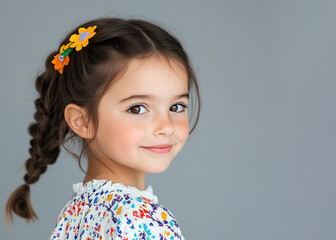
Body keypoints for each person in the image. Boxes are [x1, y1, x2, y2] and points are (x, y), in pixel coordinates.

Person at [5, 17, 201, 239]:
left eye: (176, 106)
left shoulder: (75, 212)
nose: (166, 126)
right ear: (82, 121)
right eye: (137, 109)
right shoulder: (144, 221)